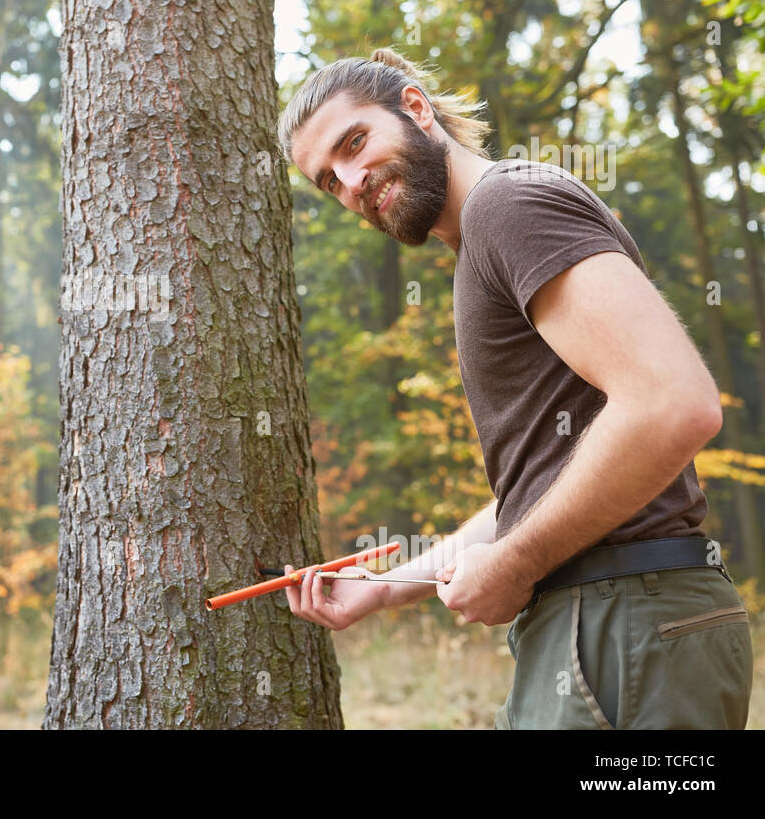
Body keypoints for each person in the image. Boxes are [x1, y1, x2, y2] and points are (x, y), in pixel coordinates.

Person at [274, 47, 753, 729]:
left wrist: (514, 565)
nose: (351, 180)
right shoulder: (482, 240)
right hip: (610, 623)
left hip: (624, 622)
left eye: (355, 142)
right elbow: (539, 495)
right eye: (329, 180)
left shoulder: (509, 204)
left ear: (415, 108)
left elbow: (675, 403)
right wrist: (382, 590)